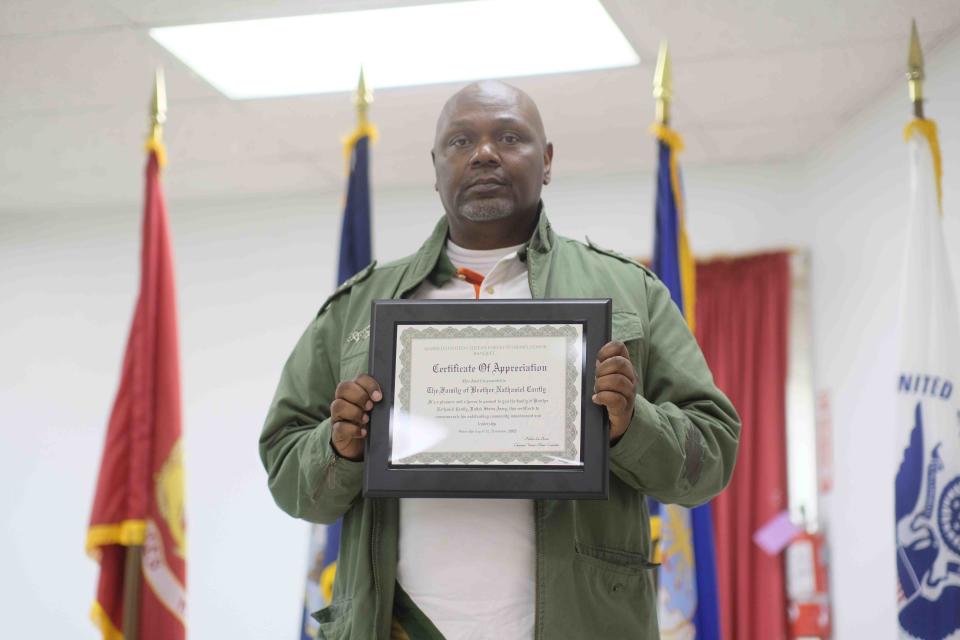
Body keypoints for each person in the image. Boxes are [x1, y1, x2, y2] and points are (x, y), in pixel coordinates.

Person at [260, 80, 740, 640]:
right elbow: (284, 462)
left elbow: (713, 454)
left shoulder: (630, 292)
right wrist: (336, 447)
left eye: (510, 137)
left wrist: (632, 422)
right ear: (435, 167)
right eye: (461, 141)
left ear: (548, 161)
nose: (485, 153)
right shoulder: (360, 306)